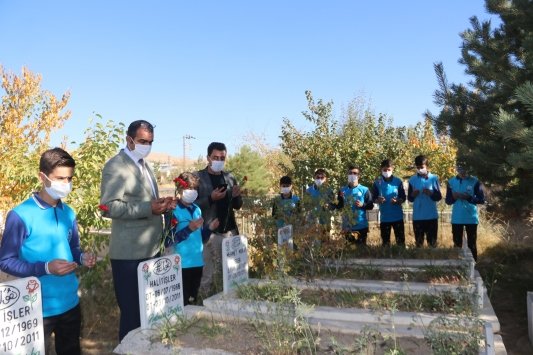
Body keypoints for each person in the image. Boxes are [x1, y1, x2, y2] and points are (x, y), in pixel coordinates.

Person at [0, 147, 96, 355]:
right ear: (42, 177)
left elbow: (73, 248)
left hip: (70, 302)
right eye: (60, 178)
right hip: (35, 308)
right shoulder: (20, 215)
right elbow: (6, 260)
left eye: (69, 179)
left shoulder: (68, 213)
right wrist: (46, 268)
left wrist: (82, 257)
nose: (66, 184)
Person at [99, 120, 174, 341]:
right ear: (129, 139)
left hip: (151, 250)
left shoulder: (144, 165)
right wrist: (148, 207)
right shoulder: (116, 166)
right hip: (129, 255)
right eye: (142, 141)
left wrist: (161, 204)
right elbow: (108, 207)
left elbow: (145, 202)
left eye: (150, 142)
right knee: (132, 317)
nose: (147, 146)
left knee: (149, 313)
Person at [165, 172, 219, 305]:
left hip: (197, 262)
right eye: (189, 188)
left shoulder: (197, 209)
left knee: (192, 299)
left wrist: (209, 228)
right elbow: (168, 241)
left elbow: (199, 237)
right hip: (181, 264)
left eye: (195, 189)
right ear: (180, 189)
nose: (192, 192)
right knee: (181, 302)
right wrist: (188, 229)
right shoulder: (173, 210)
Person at [196, 142, 243, 296]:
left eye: (222, 158)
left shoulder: (230, 177)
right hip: (209, 232)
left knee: (232, 270)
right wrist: (211, 198)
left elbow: (237, 205)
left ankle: (231, 300)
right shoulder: (198, 178)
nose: (218, 160)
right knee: (207, 273)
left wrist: (236, 196)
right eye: (215, 157)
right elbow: (191, 205)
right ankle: (204, 304)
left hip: (229, 231)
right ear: (208, 158)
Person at [445, 164, 485, 260]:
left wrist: (469, 197)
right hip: (457, 218)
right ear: (456, 168)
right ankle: (457, 266)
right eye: (459, 168)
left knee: (472, 244)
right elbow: (448, 201)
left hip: (471, 218)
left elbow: (481, 200)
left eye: (464, 168)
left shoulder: (475, 181)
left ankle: (473, 265)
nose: (462, 171)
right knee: (457, 244)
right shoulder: (451, 182)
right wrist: (454, 197)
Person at [407, 155, 442, 247]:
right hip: (418, 217)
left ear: (427, 166)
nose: (419, 169)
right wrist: (413, 195)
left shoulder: (434, 178)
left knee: (432, 244)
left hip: (431, 216)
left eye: (422, 167)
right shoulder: (412, 180)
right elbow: (410, 199)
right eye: (417, 167)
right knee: (419, 244)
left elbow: (438, 197)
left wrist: (431, 193)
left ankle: (433, 261)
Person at [372, 159, 406, 246]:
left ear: (392, 169)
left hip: (397, 217)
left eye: (388, 170)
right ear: (381, 169)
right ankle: (386, 257)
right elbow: (373, 198)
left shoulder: (398, 182)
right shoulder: (377, 182)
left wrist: (397, 201)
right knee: (385, 243)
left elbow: (403, 198)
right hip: (384, 218)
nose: (386, 172)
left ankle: (402, 257)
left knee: (400, 242)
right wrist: (378, 200)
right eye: (384, 170)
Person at [337, 166, 374, 245]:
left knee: (361, 250)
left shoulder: (365, 189)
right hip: (347, 226)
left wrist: (362, 205)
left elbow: (371, 206)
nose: (352, 175)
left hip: (361, 225)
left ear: (359, 176)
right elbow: (339, 205)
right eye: (350, 173)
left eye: (355, 173)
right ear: (347, 175)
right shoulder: (342, 190)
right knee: (349, 249)